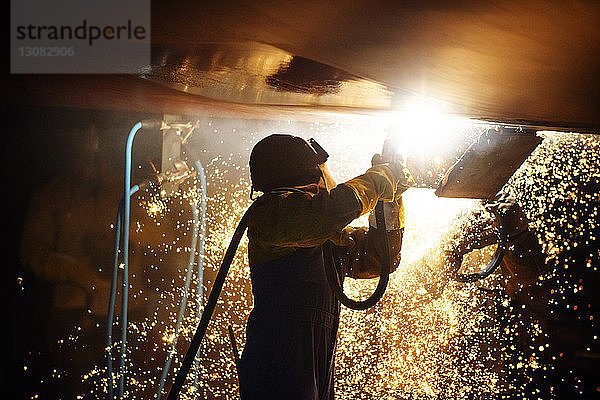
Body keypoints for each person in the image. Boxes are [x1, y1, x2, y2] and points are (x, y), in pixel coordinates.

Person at [237, 134, 412, 400]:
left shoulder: (325, 236)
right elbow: (327, 213)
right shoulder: (269, 216)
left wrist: (390, 199)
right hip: (277, 363)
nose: (324, 186)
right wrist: (378, 181)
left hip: (315, 364)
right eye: (318, 180)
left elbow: (381, 258)